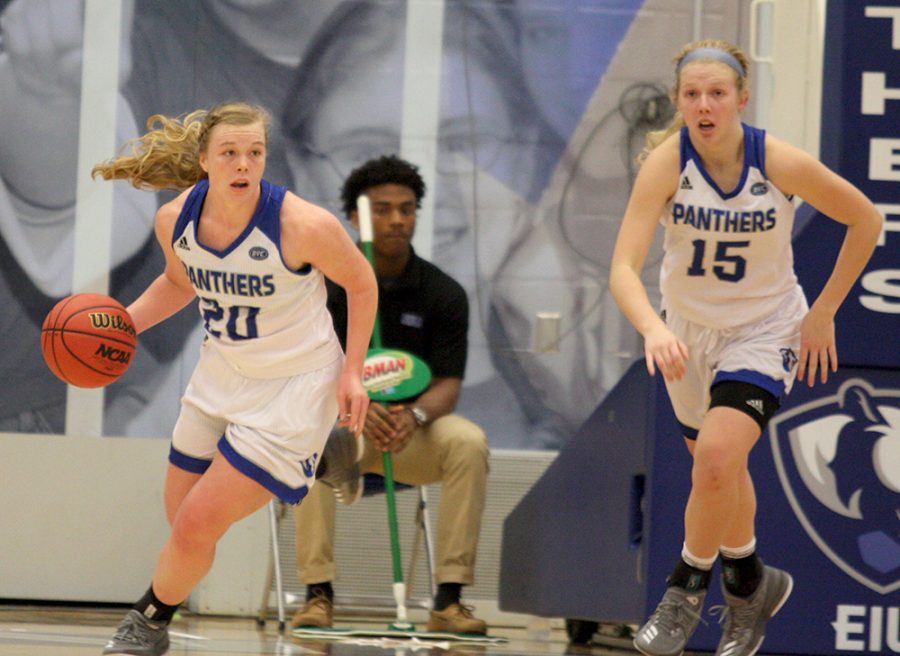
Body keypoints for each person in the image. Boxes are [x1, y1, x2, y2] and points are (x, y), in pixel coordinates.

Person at [609, 40, 882, 656]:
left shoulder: (776, 160)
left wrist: (824, 312)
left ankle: (684, 591)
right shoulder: (666, 162)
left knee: (714, 459)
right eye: (691, 94)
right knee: (720, 471)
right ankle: (750, 584)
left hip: (763, 332)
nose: (704, 105)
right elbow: (623, 267)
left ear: (741, 98)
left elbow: (865, 219)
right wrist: (653, 327)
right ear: (680, 101)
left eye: (717, 93)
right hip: (687, 334)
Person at [91, 102, 378, 656]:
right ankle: (324, 456)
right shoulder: (175, 220)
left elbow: (362, 284)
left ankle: (146, 625)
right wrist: (120, 325)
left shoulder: (303, 225)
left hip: (295, 386)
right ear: (205, 160)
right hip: (223, 371)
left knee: (197, 524)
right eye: (230, 153)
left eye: (255, 153)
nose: (244, 164)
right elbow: (180, 284)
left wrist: (352, 373)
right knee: (183, 522)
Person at [290, 155, 491, 635]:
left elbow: (448, 384)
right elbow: (308, 374)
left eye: (407, 208)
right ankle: (318, 594)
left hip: (409, 434)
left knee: (468, 441)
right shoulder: (327, 288)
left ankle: (448, 599)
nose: (397, 219)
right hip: (346, 432)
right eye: (382, 209)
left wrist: (415, 415)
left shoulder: (443, 293)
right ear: (356, 218)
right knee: (308, 440)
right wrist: (357, 406)